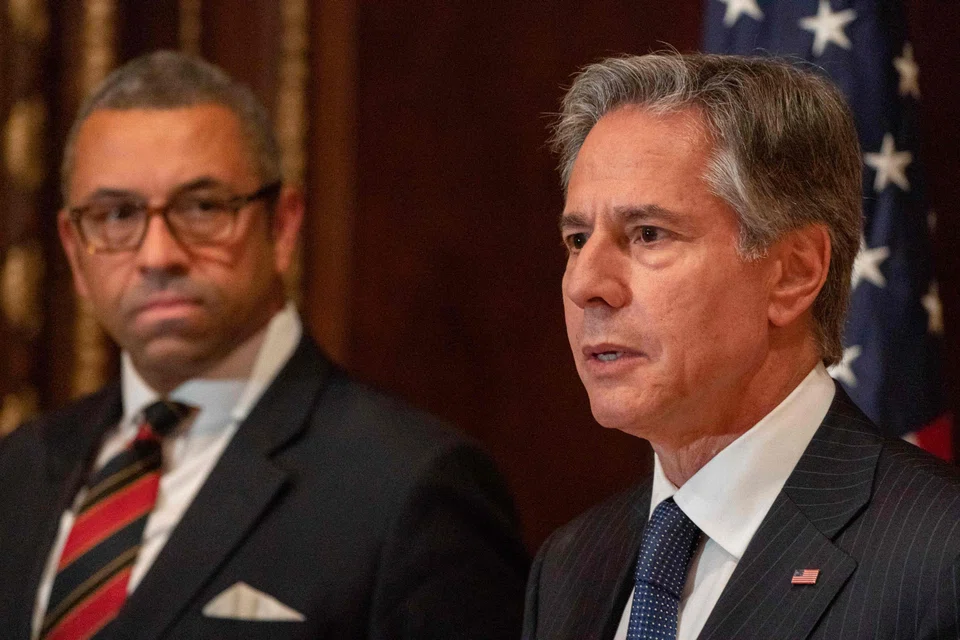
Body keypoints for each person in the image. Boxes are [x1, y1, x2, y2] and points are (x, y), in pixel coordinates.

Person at [0, 50, 528, 640]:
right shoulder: (18, 472)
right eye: (117, 215)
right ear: (75, 250)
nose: (158, 256)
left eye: (202, 208)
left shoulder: (412, 486)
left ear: (281, 226)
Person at [523, 52, 960, 640]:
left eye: (648, 234)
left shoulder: (939, 559)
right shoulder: (571, 566)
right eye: (577, 239)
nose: (584, 285)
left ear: (793, 273)